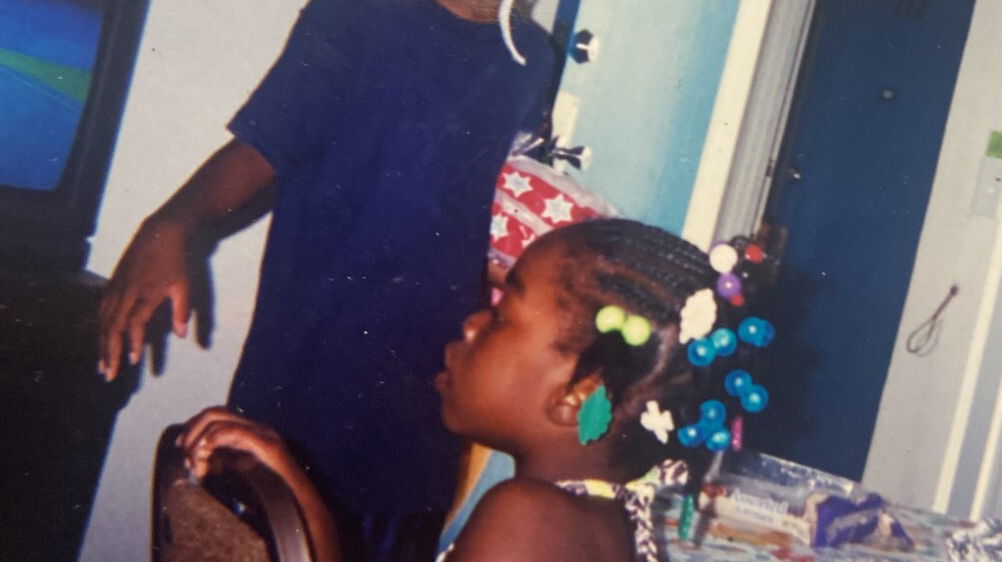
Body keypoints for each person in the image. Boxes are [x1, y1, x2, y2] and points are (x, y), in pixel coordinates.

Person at [97, 0, 572, 561]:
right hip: (303, 392)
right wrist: (175, 221)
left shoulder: (534, 58)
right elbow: (269, 143)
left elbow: (490, 218)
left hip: (425, 419)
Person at [177, 218, 775, 562]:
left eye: (502, 315)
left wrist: (296, 497)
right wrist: (298, 493)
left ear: (577, 395)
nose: (471, 323)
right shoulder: (598, 520)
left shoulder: (527, 519)